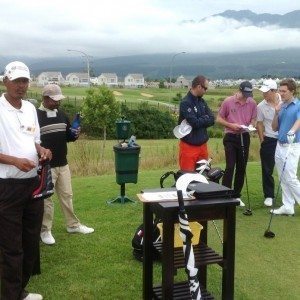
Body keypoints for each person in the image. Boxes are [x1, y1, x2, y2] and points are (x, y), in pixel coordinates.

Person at [0, 61, 52, 300]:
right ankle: (11, 295)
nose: (21, 86)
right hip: (7, 186)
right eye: (16, 81)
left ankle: (20, 290)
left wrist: (42, 150)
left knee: (30, 242)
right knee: (11, 247)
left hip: (33, 184)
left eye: (24, 81)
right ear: (5, 81)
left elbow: (34, 139)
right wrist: (14, 161)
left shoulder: (30, 108)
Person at [37, 84, 94, 245]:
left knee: (67, 196)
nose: (58, 103)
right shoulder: (35, 115)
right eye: (55, 100)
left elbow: (68, 137)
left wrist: (74, 134)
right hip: (45, 166)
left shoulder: (62, 115)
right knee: (46, 200)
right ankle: (45, 230)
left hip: (63, 163)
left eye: (58, 100)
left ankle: (72, 225)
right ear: (45, 99)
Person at [216, 81, 257, 206]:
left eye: (249, 94)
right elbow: (218, 118)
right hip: (230, 136)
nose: (247, 96)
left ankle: (236, 195)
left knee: (241, 167)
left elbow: (254, 119)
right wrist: (231, 125)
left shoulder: (252, 103)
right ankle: (225, 194)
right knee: (230, 166)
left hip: (244, 136)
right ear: (239, 90)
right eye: (245, 93)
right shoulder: (228, 101)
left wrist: (251, 125)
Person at [271, 78, 300, 215]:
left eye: (284, 91)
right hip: (280, 145)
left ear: (292, 91)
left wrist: (292, 131)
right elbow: (274, 127)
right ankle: (288, 205)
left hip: (292, 146)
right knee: (282, 176)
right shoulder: (281, 106)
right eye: (280, 91)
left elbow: (299, 121)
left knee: (291, 177)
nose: (281, 93)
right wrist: (276, 113)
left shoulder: (298, 104)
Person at [177, 75, 215, 171]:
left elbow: (212, 119)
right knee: (188, 177)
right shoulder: (185, 102)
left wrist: (202, 119)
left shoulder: (202, 102)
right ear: (199, 87)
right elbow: (195, 123)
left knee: (203, 176)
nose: (206, 91)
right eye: (205, 88)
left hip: (203, 146)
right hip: (189, 147)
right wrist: (205, 118)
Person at [257, 79, 282, 207]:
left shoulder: (285, 101)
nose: (264, 95)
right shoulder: (261, 106)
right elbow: (259, 124)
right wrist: (262, 140)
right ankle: (269, 195)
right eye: (263, 92)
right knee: (267, 169)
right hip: (269, 140)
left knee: (285, 169)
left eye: (266, 92)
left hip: (284, 140)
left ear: (274, 91)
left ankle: (288, 196)